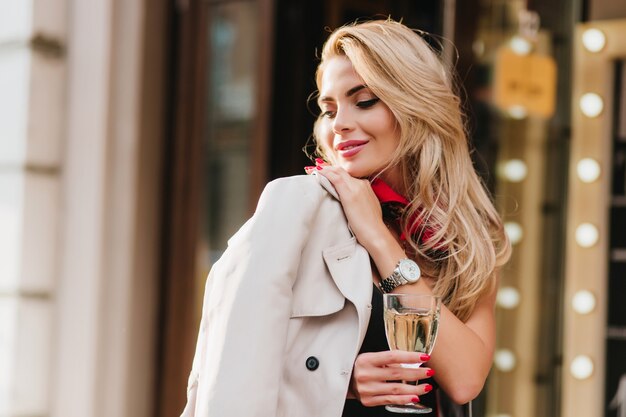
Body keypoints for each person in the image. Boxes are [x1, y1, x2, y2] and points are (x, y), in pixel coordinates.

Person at [180, 19, 511, 417]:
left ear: (415, 103)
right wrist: (340, 381)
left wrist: (380, 240)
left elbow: (465, 379)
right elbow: (231, 369)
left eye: (364, 100)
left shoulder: (468, 237)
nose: (339, 125)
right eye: (329, 109)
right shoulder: (299, 208)